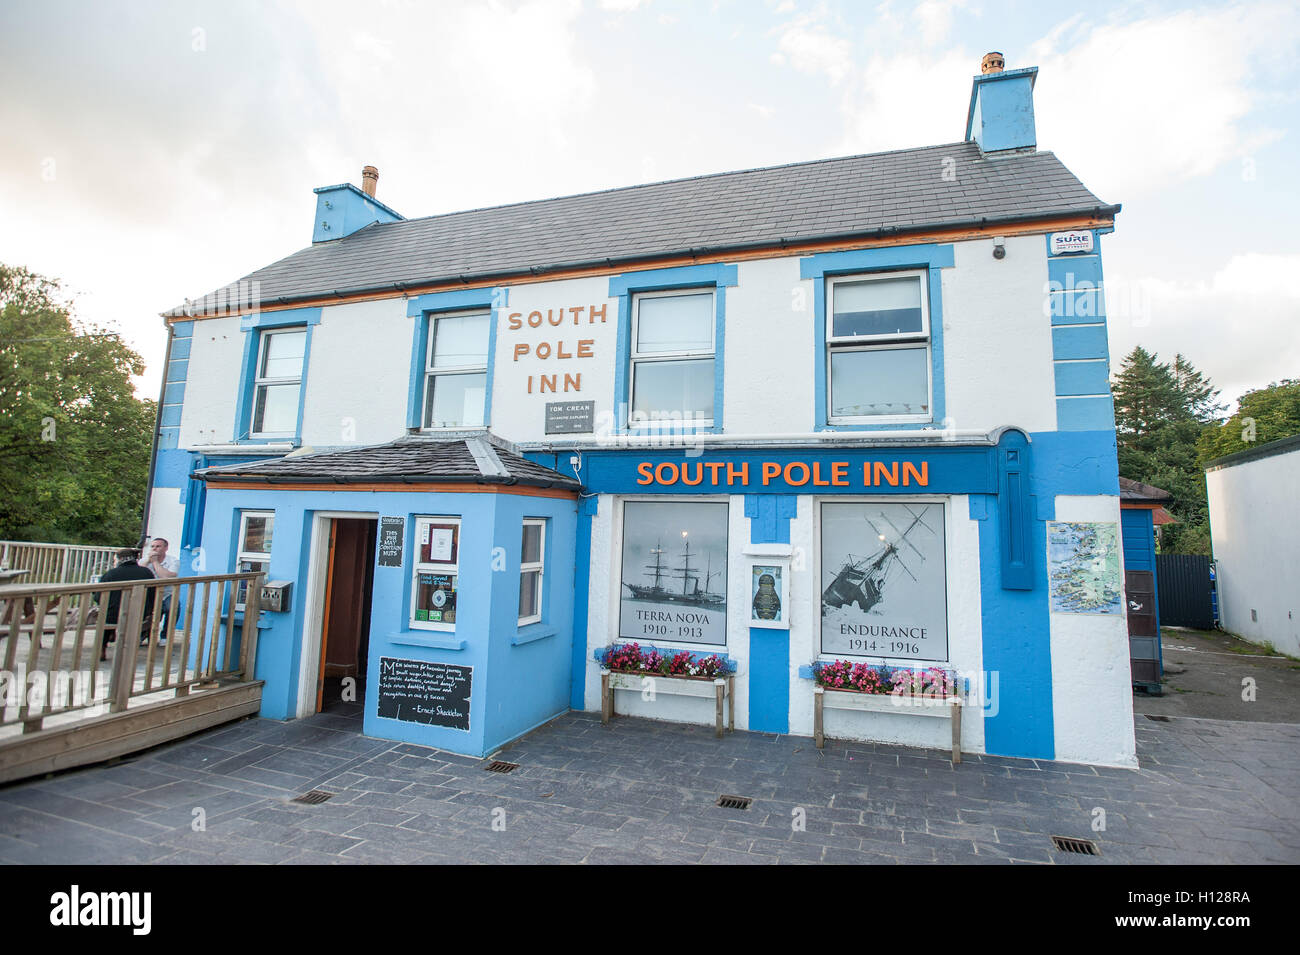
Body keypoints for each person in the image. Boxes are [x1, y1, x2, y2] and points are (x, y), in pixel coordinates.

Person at [96, 549, 156, 661]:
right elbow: (153, 595)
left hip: (113, 615)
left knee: (107, 613)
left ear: (120, 560)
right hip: (140, 614)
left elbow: (98, 597)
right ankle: (129, 649)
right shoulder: (147, 573)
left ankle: (102, 648)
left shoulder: (110, 574)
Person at [141, 537, 179, 644]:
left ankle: (165, 636)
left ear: (166, 548)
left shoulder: (173, 561)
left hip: (167, 594)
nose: (155, 549)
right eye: (152, 546)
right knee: (143, 611)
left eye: (158, 546)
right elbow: (138, 573)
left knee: (173, 607)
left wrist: (155, 562)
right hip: (150, 594)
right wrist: (149, 560)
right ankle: (143, 634)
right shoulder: (145, 560)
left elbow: (166, 577)